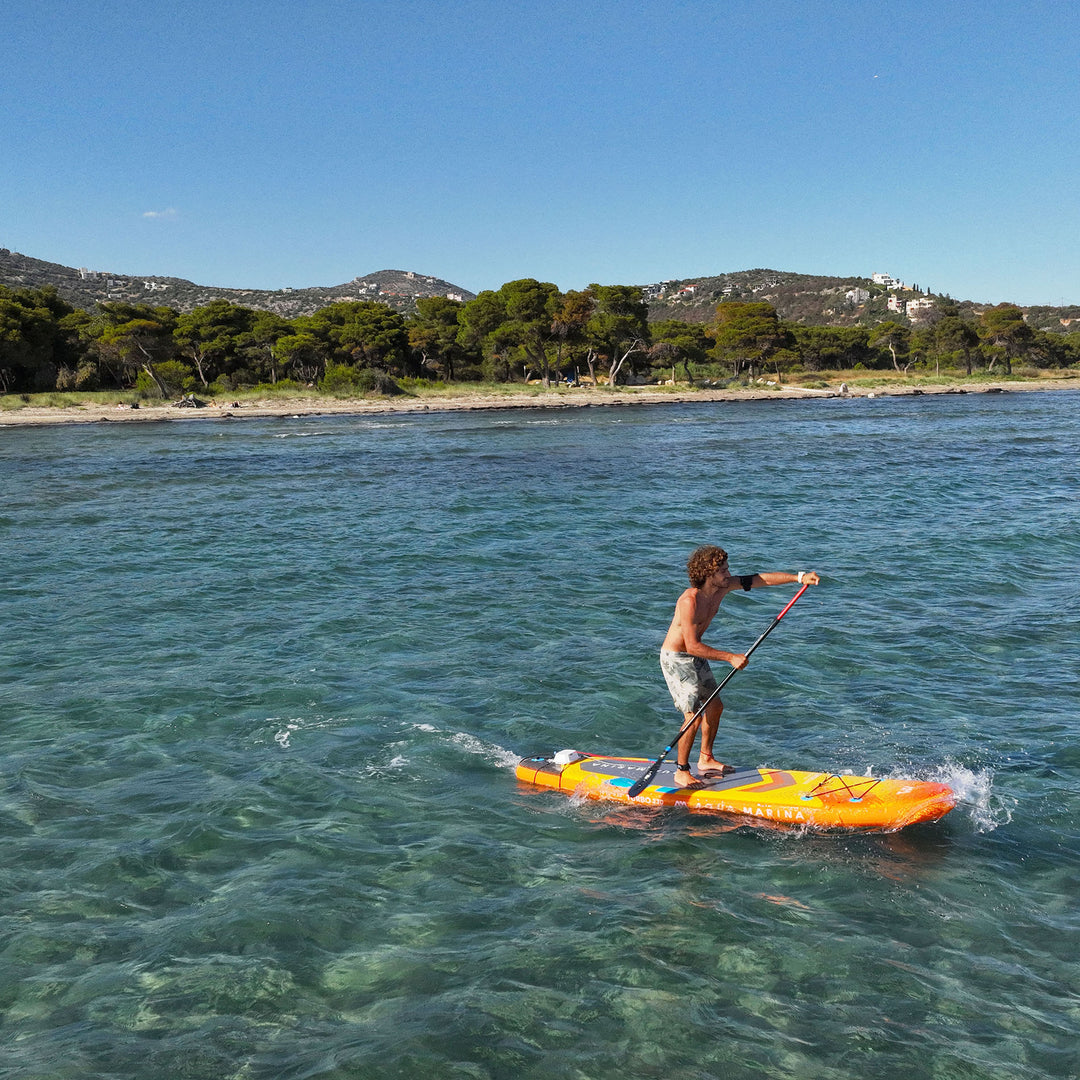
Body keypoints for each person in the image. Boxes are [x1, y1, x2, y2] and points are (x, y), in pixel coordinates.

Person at [660, 545, 820, 788]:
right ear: (707, 573)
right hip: (677, 658)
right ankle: (681, 770)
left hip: (696, 655)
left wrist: (798, 577)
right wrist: (730, 657)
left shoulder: (722, 587)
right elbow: (691, 646)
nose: (728, 573)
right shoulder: (689, 601)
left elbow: (758, 580)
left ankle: (706, 758)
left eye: (727, 568)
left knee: (715, 707)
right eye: (722, 570)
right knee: (693, 717)